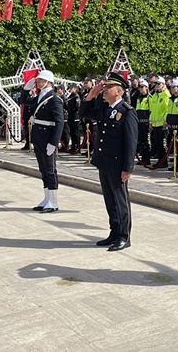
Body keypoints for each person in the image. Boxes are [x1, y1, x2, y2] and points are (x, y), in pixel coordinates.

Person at [79, 72, 138, 251]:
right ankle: (114, 232)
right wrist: (91, 95)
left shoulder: (127, 112)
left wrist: (128, 167)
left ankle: (124, 236)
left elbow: (131, 142)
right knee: (109, 200)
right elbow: (85, 113)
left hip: (118, 164)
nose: (104, 90)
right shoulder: (106, 109)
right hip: (104, 162)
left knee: (121, 201)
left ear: (118, 92)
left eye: (108, 87)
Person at [20, 70, 65, 213]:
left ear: (48, 82)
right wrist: (26, 90)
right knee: (43, 169)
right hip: (39, 137)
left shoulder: (54, 99)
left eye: (40, 80)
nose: (38, 82)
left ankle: (53, 201)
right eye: (38, 80)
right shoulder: (40, 96)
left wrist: (54, 142)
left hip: (48, 138)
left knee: (50, 170)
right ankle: (46, 198)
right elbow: (24, 101)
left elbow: (59, 122)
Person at [148, 77, 170, 167]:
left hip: (162, 124)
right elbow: (152, 110)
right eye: (156, 84)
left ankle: (164, 162)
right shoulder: (155, 96)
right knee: (158, 144)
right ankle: (160, 161)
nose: (157, 86)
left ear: (163, 84)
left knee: (163, 144)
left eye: (159, 84)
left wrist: (166, 121)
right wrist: (150, 122)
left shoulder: (166, 95)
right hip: (155, 123)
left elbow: (167, 110)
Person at [135, 79, 152, 165]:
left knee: (146, 141)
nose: (140, 89)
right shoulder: (139, 98)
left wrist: (150, 122)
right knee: (141, 140)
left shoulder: (149, 98)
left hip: (146, 122)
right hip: (140, 121)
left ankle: (147, 158)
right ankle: (143, 158)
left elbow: (151, 110)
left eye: (142, 87)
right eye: (139, 87)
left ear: (146, 87)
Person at [66, 84, 81, 153]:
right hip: (71, 116)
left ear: (75, 88)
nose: (70, 89)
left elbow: (78, 106)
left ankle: (76, 146)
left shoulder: (76, 96)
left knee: (75, 132)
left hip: (75, 117)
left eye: (71, 88)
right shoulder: (71, 96)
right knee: (72, 132)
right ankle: (73, 145)